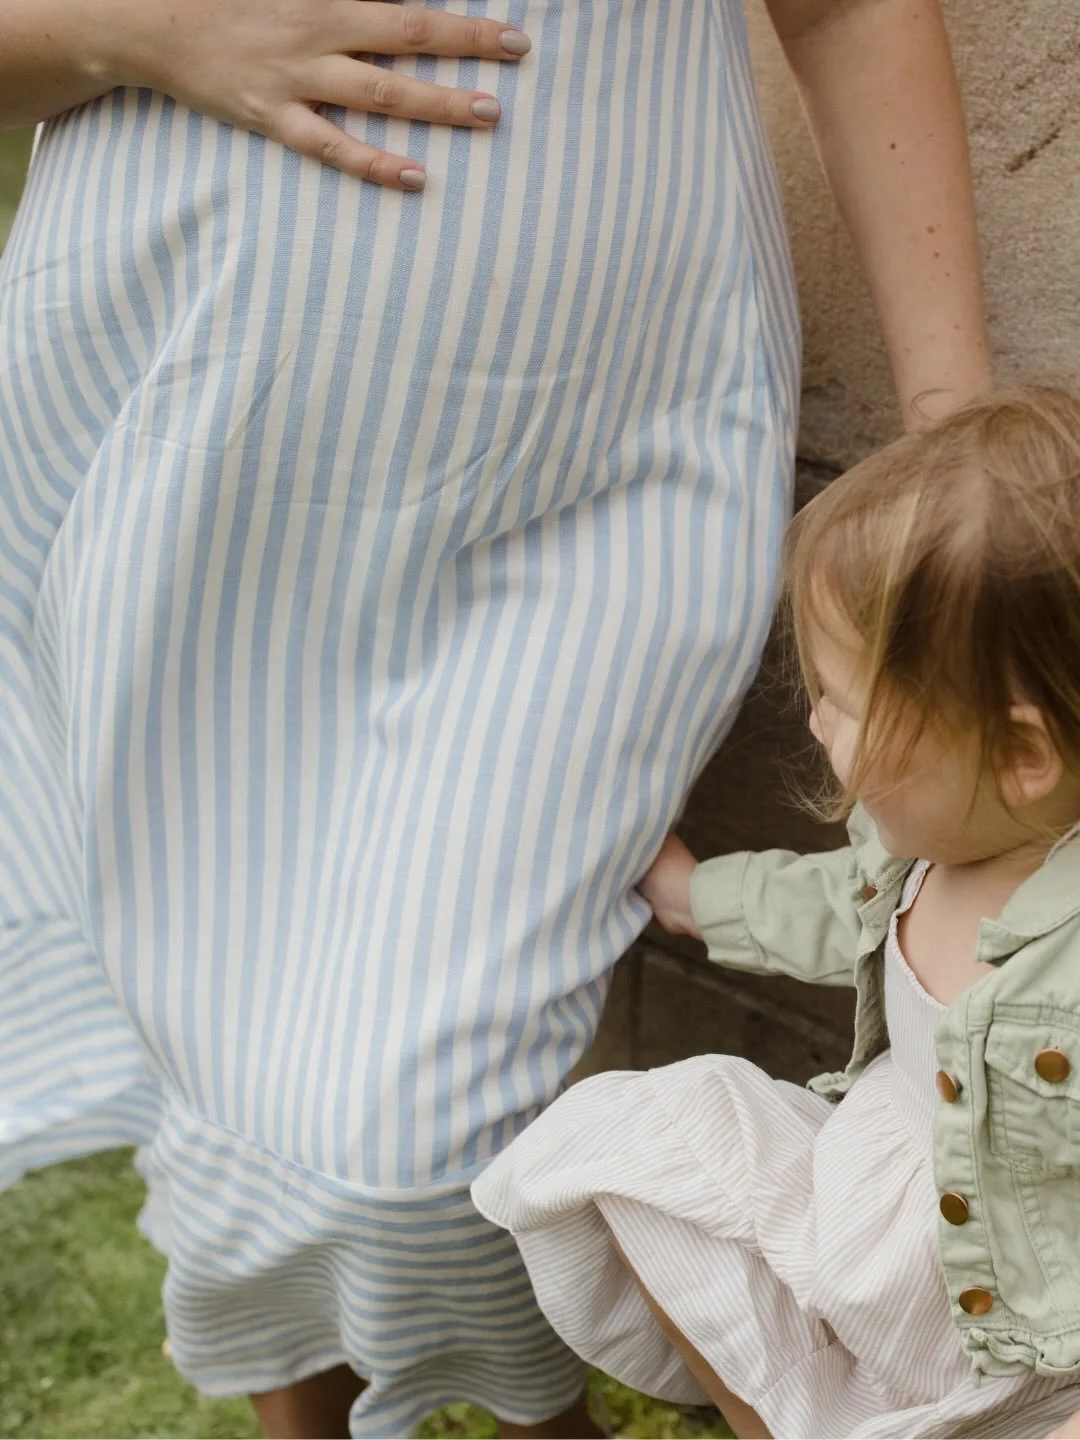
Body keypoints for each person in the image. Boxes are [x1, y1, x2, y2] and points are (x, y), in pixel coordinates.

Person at [0, 0, 990, 1435]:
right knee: (210, 1040)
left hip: (609, 455)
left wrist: (951, 422)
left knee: (416, 1125)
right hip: (173, 433)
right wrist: (151, 32)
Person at [474, 389, 1080, 1440]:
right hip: (873, 1214)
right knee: (644, 1151)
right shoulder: (919, 845)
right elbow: (830, 908)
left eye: (843, 702)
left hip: (1011, 1315)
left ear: (1020, 756)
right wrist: (688, 898)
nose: (812, 717)